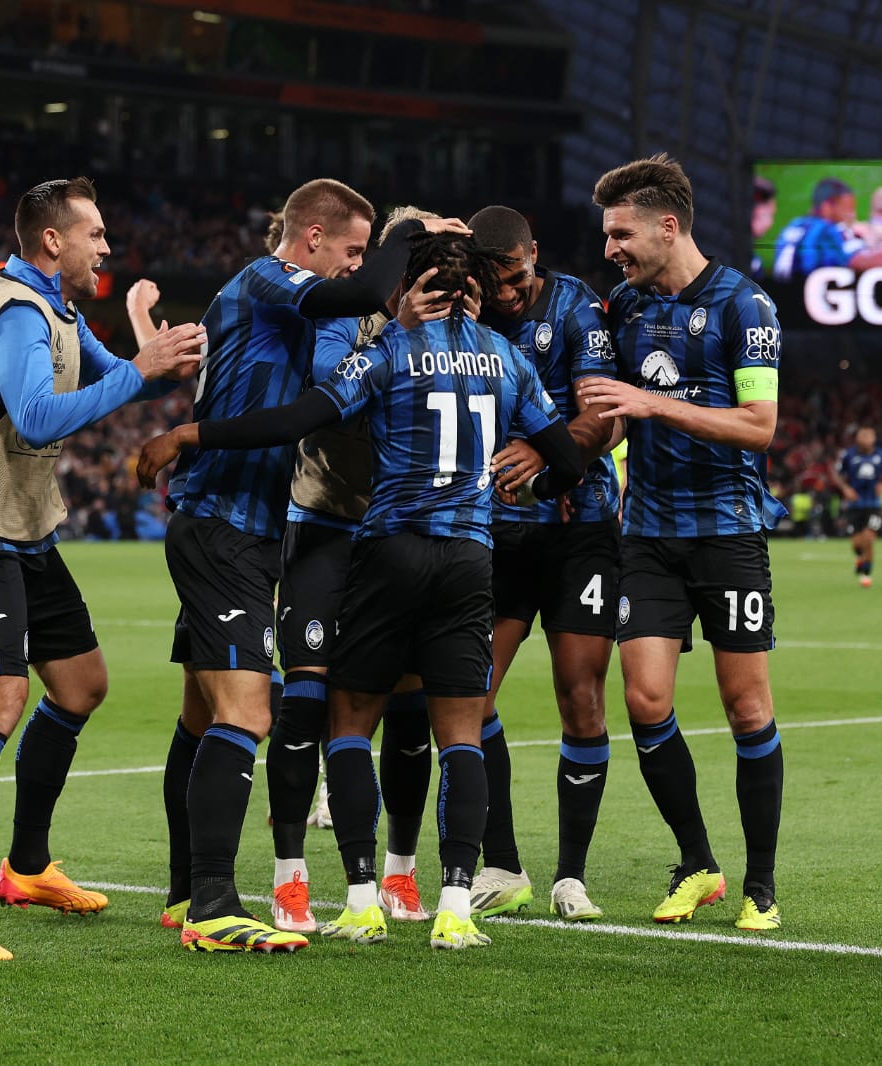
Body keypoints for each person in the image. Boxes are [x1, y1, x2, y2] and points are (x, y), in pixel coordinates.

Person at [140, 231, 585, 950]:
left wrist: (194, 433)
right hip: (472, 557)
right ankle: (455, 909)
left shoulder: (387, 352)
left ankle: (357, 897)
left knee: (346, 721)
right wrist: (524, 478)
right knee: (460, 734)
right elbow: (567, 464)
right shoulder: (509, 361)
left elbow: (298, 419)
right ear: (473, 290)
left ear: (414, 287)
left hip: (388, 548)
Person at [146, 177, 469, 953]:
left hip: (245, 529)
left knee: (200, 711)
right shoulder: (271, 280)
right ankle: (216, 905)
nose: (357, 265)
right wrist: (414, 231)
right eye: (351, 249)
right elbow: (359, 291)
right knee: (249, 713)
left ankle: (185, 888)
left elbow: (331, 365)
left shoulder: (296, 301)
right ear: (313, 237)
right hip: (224, 525)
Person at [0, 176, 207, 961]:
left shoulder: (60, 313)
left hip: (25, 529)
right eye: (96, 234)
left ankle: (29, 865)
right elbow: (40, 413)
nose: (106, 246)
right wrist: (141, 369)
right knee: (0, 699)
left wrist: (152, 345)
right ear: (54, 241)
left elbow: (126, 377)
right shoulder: (15, 313)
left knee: (81, 686)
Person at [578, 153, 787, 932]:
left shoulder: (745, 307)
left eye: (621, 233)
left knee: (746, 706)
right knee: (644, 698)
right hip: (649, 537)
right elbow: (604, 415)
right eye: (607, 236)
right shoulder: (621, 311)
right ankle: (697, 861)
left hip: (728, 534)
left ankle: (761, 886)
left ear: (669, 226)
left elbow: (758, 428)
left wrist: (651, 404)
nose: (612, 249)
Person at [463, 204, 621, 923]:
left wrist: (544, 451)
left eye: (517, 277)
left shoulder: (577, 309)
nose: (507, 294)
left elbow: (604, 415)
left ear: (535, 254)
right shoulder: (464, 314)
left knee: (580, 698)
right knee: (475, 698)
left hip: (579, 527)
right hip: (494, 529)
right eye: (494, 283)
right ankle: (503, 865)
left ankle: (572, 876)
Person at [771, 177, 882, 281]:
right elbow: (864, 263)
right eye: (848, 209)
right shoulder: (827, 230)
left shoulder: (794, 224)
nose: (853, 215)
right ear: (827, 207)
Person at [832, 425, 882, 588]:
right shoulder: (848, 455)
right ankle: (861, 558)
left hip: (874, 504)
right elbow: (837, 474)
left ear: (874, 438)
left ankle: (866, 574)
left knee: (868, 537)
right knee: (856, 543)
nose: (866, 438)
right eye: (863, 435)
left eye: (869, 435)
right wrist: (846, 489)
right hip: (854, 504)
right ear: (857, 438)